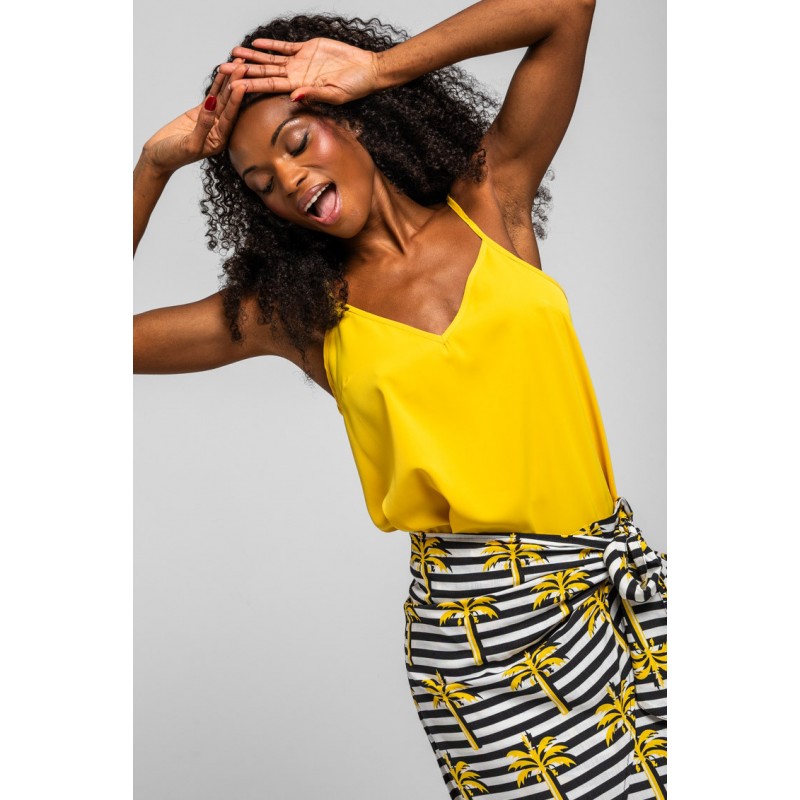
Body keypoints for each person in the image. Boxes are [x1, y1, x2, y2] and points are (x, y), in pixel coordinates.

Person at [133, 2, 667, 797]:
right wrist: (154, 164)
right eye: (261, 183)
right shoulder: (298, 314)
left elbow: (564, 11)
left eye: (297, 142)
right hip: (487, 653)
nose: (289, 180)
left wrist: (379, 67)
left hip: (619, 591)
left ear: (349, 120)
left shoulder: (491, 199)